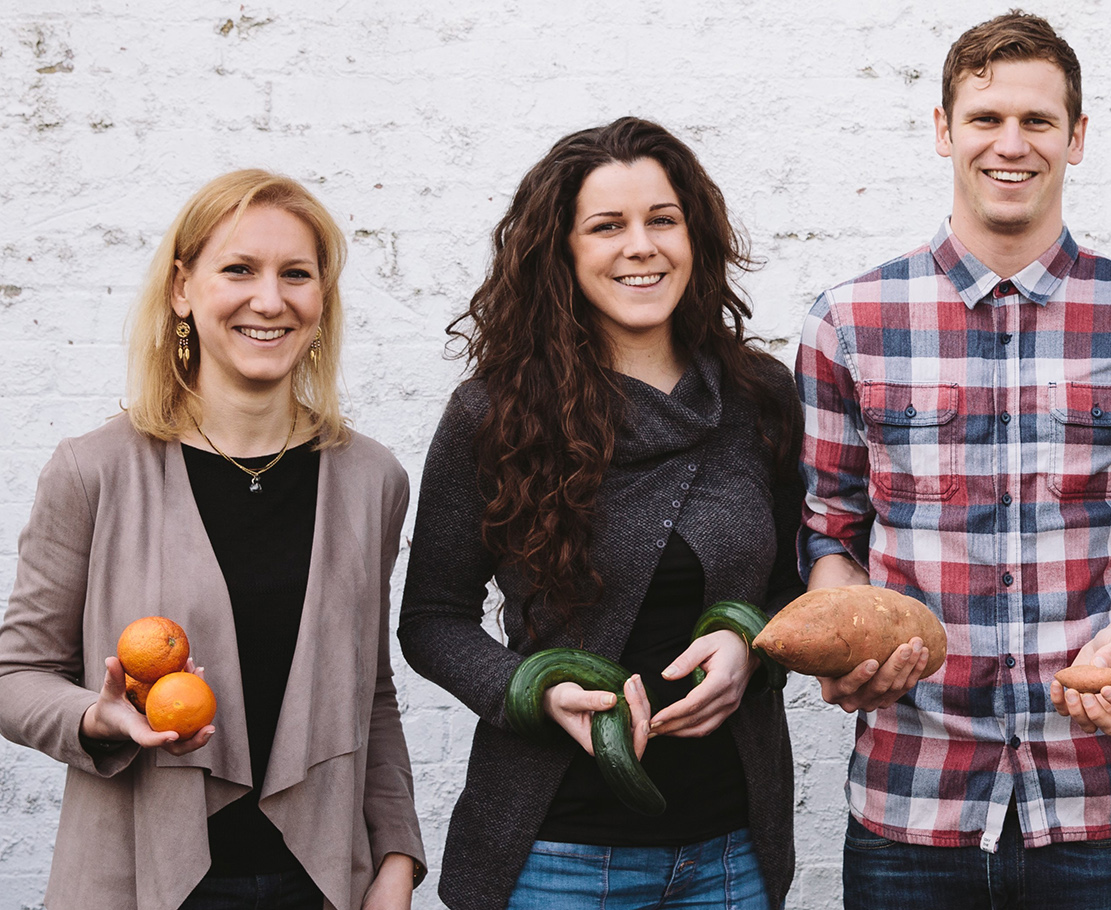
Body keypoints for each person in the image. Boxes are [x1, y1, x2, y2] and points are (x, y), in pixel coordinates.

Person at [795, 12, 1111, 908]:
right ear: (945, 130)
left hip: (1097, 798)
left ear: (1076, 137)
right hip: (912, 796)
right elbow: (829, 528)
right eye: (986, 119)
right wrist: (851, 628)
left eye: (1037, 121)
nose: (1011, 144)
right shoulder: (850, 323)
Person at [397, 117, 804, 910]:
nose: (640, 245)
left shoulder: (759, 397)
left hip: (732, 857)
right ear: (564, 250)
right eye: (607, 226)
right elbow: (433, 620)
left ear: (695, 235)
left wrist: (752, 641)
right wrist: (532, 688)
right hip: (556, 857)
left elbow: (799, 587)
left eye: (662, 219)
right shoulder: (496, 414)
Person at [0, 170, 426, 910]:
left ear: (321, 304)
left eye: (297, 274)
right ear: (182, 290)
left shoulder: (371, 480)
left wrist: (395, 853)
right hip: (136, 881)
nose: (270, 299)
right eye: (238, 269)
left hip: (321, 882)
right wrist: (95, 719)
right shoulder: (94, 471)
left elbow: (371, 691)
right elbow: (15, 674)